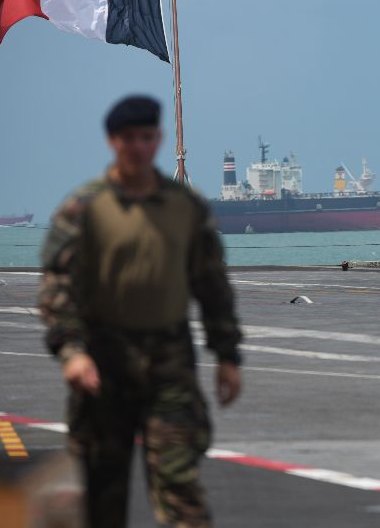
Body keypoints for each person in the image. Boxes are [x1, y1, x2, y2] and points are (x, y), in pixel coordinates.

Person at [38, 95, 242, 527]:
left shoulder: (185, 207)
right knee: (103, 491)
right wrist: (72, 351)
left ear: (159, 139)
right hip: (103, 364)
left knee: (180, 486)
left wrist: (227, 355)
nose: (138, 147)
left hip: (169, 362)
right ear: (112, 142)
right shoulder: (84, 209)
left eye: (146, 137)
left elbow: (212, 286)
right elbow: (58, 288)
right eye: (128, 138)